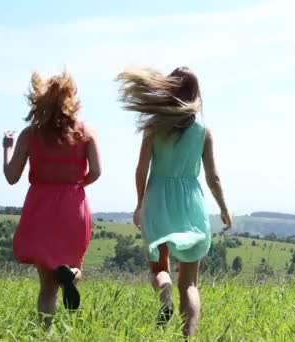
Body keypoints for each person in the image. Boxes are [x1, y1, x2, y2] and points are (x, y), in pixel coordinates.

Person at [117, 66, 231, 337]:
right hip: (190, 205)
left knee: (160, 268)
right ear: (195, 93)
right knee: (189, 284)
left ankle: (164, 294)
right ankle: (188, 337)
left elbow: (141, 169)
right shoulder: (203, 132)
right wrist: (224, 209)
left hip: (157, 201)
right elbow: (213, 176)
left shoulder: (154, 128)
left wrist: (139, 203)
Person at [2, 71, 101, 326]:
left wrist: (7, 146)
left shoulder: (30, 134)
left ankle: (44, 334)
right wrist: (77, 186)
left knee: (47, 288)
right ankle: (71, 276)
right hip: (73, 206)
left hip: (41, 208)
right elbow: (97, 171)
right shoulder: (86, 132)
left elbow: (12, 176)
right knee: (72, 267)